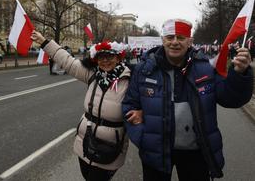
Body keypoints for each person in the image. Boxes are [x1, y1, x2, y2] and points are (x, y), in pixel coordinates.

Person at [122, 18, 253, 181]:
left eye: (181, 38)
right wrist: (144, 139)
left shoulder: (206, 68)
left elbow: (231, 99)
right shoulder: (145, 70)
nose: (175, 42)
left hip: (196, 153)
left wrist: (240, 74)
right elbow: (128, 106)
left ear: (190, 41)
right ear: (163, 40)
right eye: (170, 37)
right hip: (155, 152)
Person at [31, 31, 137, 181]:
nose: (105, 61)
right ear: (96, 59)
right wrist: (44, 42)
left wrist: (140, 113)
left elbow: (145, 103)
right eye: (101, 57)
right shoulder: (92, 75)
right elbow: (67, 61)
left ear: (118, 58)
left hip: (111, 147)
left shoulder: (130, 79)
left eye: (110, 57)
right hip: (85, 142)